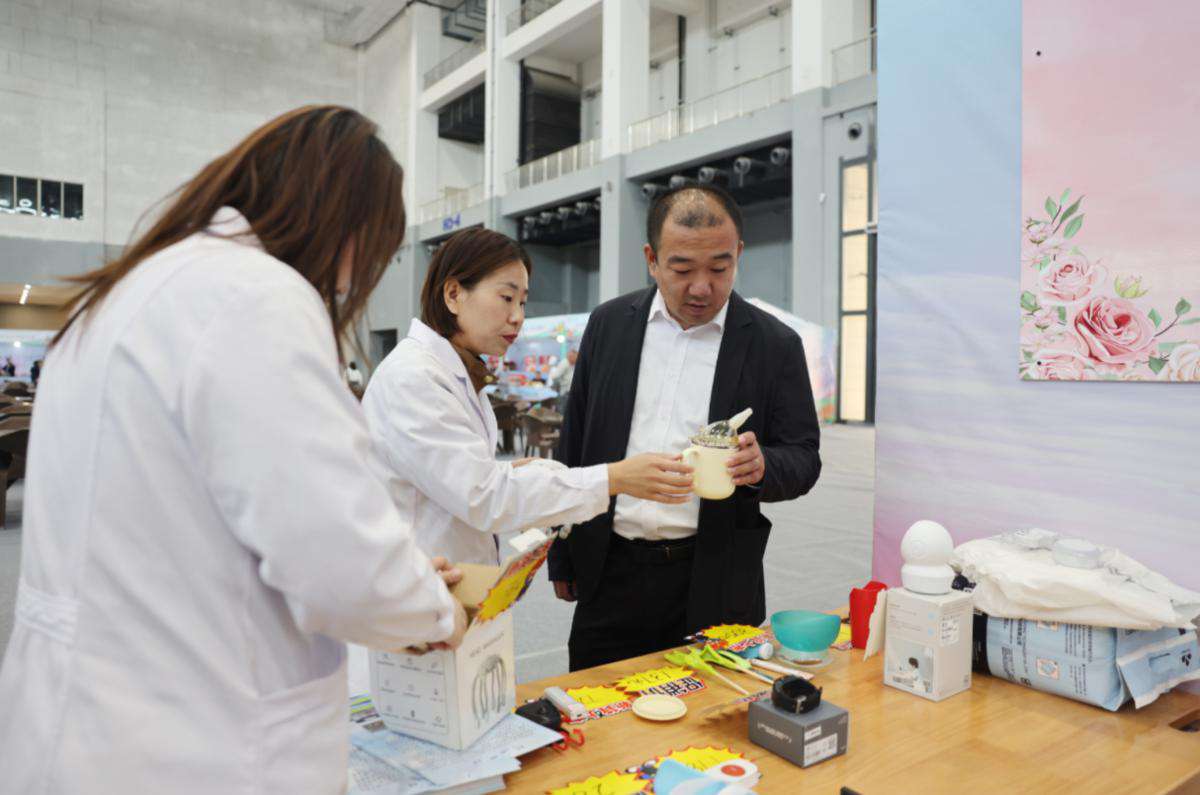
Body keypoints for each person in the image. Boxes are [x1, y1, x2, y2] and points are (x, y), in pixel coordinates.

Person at [0, 106, 467, 794]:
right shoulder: (254, 297)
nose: (351, 283)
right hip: (195, 745)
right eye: (369, 254)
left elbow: (195, 526)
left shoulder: (128, 292)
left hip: (78, 724)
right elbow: (337, 561)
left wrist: (395, 572)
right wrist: (433, 606)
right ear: (343, 225)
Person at [548, 183, 822, 671]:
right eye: (681, 269)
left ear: (738, 254)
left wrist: (763, 465)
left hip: (715, 577)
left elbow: (803, 456)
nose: (701, 287)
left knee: (711, 711)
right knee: (596, 705)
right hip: (609, 569)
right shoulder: (609, 325)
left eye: (719, 268)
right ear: (652, 260)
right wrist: (563, 553)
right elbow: (575, 442)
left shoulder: (773, 345)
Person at [361, 227, 694, 566]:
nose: (518, 317)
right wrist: (615, 477)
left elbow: (456, 476)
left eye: (522, 302)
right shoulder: (414, 378)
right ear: (453, 294)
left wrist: (510, 472)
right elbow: (483, 496)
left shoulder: (458, 371)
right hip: (420, 580)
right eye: (506, 298)